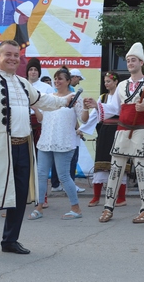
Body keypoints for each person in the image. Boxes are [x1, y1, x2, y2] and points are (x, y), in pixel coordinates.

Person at [0, 39, 72, 260]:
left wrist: (65, 100)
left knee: (19, 195)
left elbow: (43, 100)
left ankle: (9, 240)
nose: (13, 58)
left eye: (16, 55)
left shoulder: (23, 83)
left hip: (22, 146)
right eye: (8, 54)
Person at [84, 42, 144, 224]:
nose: (130, 63)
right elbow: (114, 108)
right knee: (115, 170)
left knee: (143, 170)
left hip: (140, 132)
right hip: (122, 130)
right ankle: (108, 208)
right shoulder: (121, 86)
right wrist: (97, 105)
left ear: (141, 62)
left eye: (133, 60)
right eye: (128, 60)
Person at [28, 67, 88, 221]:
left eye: (60, 78)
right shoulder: (49, 97)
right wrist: (35, 108)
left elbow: (84, 119)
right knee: (41, 175)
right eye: (55, 78)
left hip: (64, 141)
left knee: (63, 176)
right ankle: (39, 207)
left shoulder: (74, 97)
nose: (56, 81)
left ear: (68, 81)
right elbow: (41, 119)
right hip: (46, 141)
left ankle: (76, 208)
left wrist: (86, 108)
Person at [79, 72, 129, 207]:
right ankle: (96, 197)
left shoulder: (121, 96)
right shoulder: (103, 97)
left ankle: (121, 197)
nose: (106, 83)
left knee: (119, 163)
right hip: (105, 131)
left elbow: (115, 109)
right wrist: (82, 129)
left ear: (116, 82)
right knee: (101, 163)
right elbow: (95, 116)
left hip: (118, 131)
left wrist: (97, 106)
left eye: (109, 81)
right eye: (105, 81)